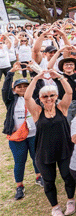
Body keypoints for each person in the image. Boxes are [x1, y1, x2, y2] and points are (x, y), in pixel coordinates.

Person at [24, 70, 76, 216]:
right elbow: (27, 97)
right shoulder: (37, 111)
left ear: (56, 96)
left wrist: (59, 77)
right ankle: (55, 207)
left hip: (64, 150)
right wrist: (35, 79)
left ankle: (71, 201)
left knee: (68, 176)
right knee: (48, 181)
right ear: (40, 98)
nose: (49, 99)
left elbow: (69, 92)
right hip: (44, 152)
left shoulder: (62, 108)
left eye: (52, 95)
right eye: (45, 96)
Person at [3, 62, 42, 200]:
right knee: (19, 161)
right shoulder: (10, 100)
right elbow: (5, 90)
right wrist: (10, 73)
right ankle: (19, 186)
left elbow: (40, 85)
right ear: (14, 89)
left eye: (26, 86)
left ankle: (39, 177)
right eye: (19, 87)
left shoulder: (35, 98)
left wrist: (33, 73)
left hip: (34, 135)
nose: (23, 88)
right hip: (17, 137)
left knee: (36, 158)